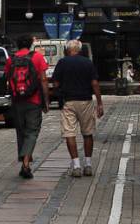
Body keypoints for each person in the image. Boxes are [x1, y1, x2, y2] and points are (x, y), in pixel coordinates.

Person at [52, 39, 104, 178]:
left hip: (68, 102)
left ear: (67, 50)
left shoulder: (62, 62)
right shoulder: (87, 62)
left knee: (70, 133)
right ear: (80, 50)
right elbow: (95, 83)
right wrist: (99, 103)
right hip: (86, 101)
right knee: (88, 133)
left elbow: (56, 83)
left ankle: (76, 166)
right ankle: (88, 165)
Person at [5, 34, 49, 179]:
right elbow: (43, 79)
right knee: (32, 131)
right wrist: (46, 101)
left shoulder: (10, 59)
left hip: (17, 100)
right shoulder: (37, 57)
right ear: (31, 44)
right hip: (34, 100)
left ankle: (24, 160)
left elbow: (7, 78)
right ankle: (25, 164)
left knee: (21, 131)